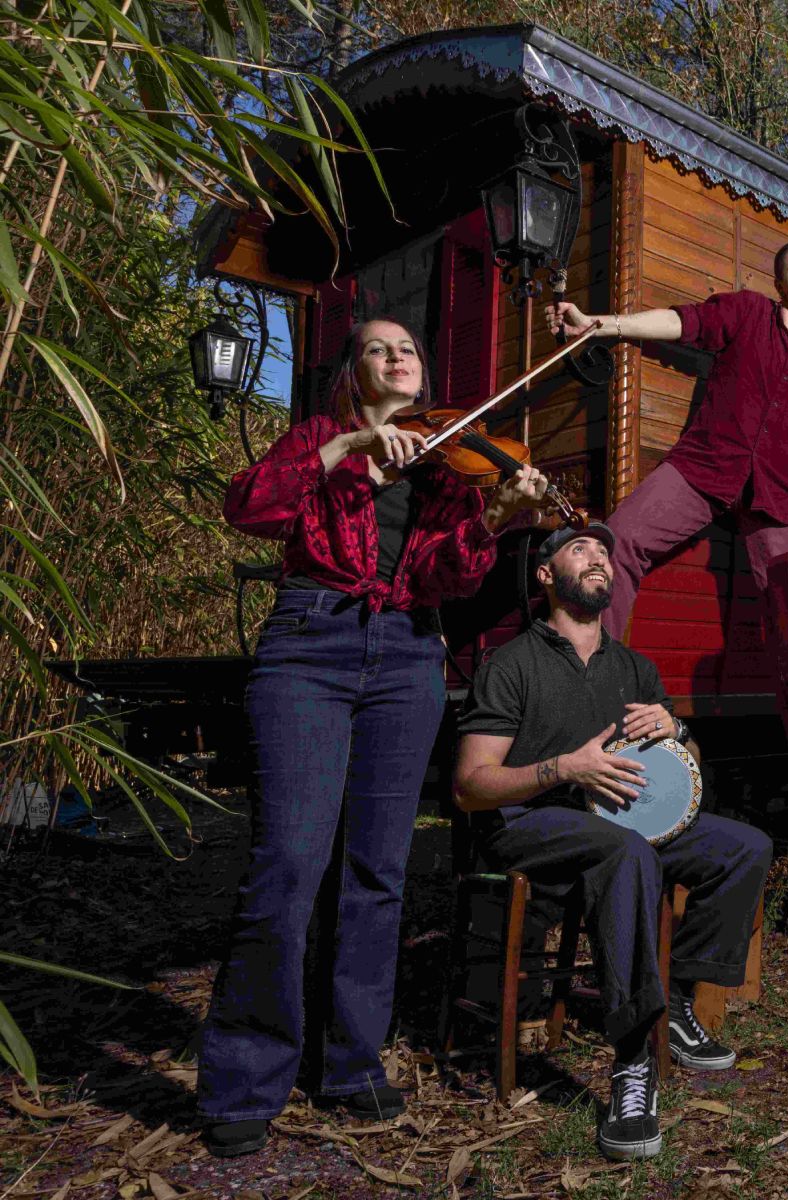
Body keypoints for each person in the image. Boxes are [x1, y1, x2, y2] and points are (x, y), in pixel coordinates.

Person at [198, 317, 551, 1158]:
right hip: (310, 641)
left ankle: (352, 1065)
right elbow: (248, 507)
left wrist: (497, 512)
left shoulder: (445, 468)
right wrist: (351, 443)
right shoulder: (321, 438)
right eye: (378, 348)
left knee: (378, 871)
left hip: (405, 653)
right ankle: (248, 1078)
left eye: (411, 350)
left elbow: (444, 578)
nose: (399, 356)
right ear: (352, 375)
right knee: (289, 860)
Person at [454, 524, 773, 1162]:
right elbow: (470, 785)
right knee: (623, 851)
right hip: (534, 824)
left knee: (745, 846)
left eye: (605, 550)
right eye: (580, 549)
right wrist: (565, 769)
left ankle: (678, 1001)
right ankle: (633, 1061)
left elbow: (688, 766)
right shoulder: (511, 665)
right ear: (545, 576)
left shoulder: (633, 667)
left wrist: (677, 729)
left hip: (626, 820)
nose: (599, 557)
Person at [545, 238, 788, 782]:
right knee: (615, 544)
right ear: (779, 282)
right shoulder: (746, 312)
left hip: (774, 493)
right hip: (706, 465)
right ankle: (593, 690)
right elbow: (680, 324)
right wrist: (598, 324)